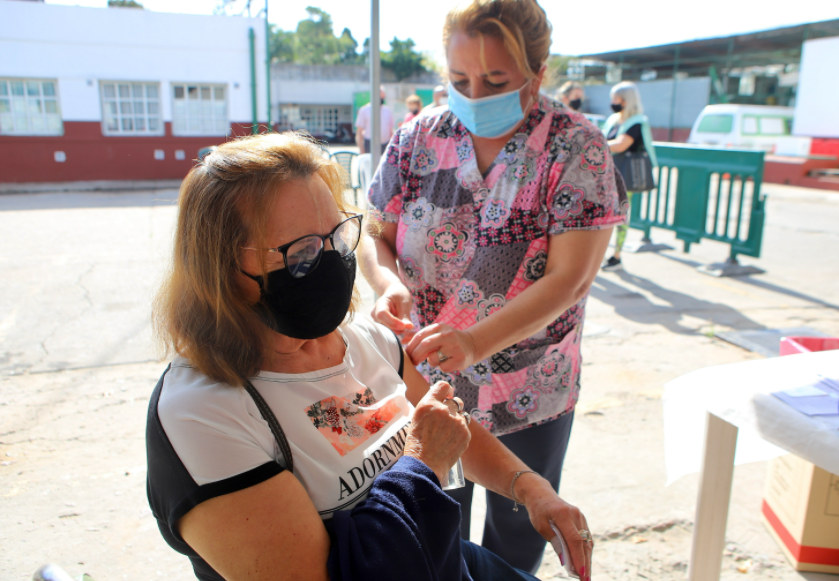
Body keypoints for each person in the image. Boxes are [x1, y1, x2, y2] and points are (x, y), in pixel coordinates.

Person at [146, 131, 595, 581]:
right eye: (301, 252)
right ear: (222, 268)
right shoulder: (203, 415)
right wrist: (422, 463)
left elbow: (446, 427)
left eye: (337, 237)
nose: (329, 263)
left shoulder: (365, 340)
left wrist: (531, 488)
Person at [359, 0, 626, 574]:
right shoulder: (417, 138)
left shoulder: (576, 147)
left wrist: (476, 342)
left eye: (496, 81)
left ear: (537, 71)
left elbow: (570, 279)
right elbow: (374, 233)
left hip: (530, 386)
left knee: (519, 533)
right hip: (425, 381)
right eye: (460, 80)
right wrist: (387, 284)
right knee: (433, 528)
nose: (475, 96)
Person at [601, 81, 657, 271]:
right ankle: (601, 253)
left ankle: (616, 255)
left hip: (624, 178)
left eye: (616, 98)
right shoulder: (613, 120)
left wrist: (594, 146)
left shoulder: (637, 122)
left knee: (620, 215)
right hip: (606, 175)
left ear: (626, 100)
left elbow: (621, 145)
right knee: (604, 215)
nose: (613, 102)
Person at [355, 86, 395, 156]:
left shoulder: (387, 110)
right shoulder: (364, 110)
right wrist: (361, 149)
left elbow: (390, 130)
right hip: (370, 144)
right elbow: (359, 132)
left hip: (385, 144)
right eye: (380, 97)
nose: (381, 99)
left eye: (383, 97)